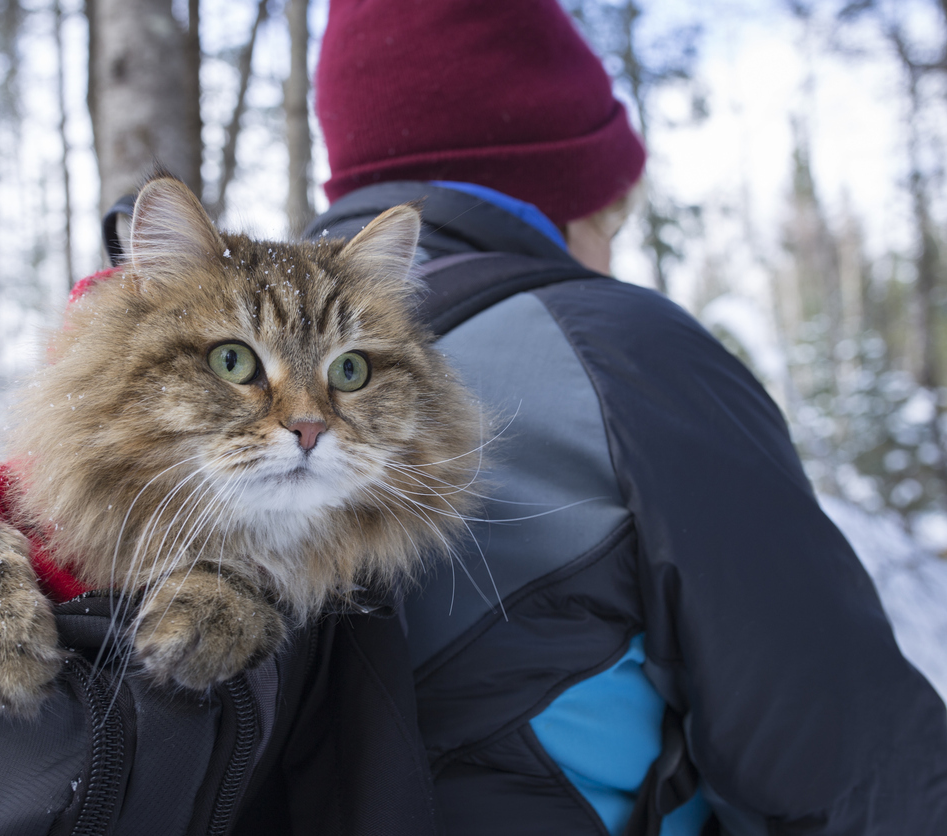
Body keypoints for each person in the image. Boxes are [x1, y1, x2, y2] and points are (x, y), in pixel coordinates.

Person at [305, 1, 947, 834]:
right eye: (612, 217)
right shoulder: (624, 356)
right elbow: (850, 774)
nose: (609, 252)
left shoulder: (229, 357)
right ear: (558, 192)